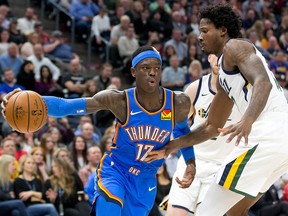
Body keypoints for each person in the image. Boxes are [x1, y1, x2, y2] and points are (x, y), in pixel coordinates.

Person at [2, 46, 196, 215]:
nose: (152, 73)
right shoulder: (119, 100)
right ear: (133, 71)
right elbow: (66, 106)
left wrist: (190, 162)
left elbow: (182, 132)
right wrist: (27, 103)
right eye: (146, 68)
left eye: (157, 68)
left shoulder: (177, 102)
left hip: (145, 179)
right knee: (109, 207)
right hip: (116, 170)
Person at [144, 4, 288, 216]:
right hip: (280, 144)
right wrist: (172, 146)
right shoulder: (224, 77)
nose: (199, 37)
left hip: (267, 134)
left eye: (204, 31)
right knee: (234, 212)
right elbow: (212, 126)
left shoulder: (235, 47)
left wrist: (247, 120)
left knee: (207, 213)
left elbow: (262, 82)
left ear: (222, 30)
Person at [167, 54, 241, 216]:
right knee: (175, 214)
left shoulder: (241, 94)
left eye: (226, 56)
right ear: (210, 58)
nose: (221, 61)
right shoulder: (195, 89)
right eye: (218, 55)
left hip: (220, 166)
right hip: (192, 160)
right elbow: (178, 126)